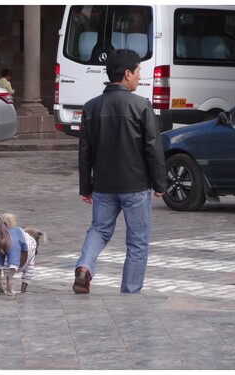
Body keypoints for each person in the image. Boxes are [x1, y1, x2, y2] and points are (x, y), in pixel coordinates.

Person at [73, 49, 166, 295]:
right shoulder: (141, 106)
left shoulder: (91, 107)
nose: (139, 77)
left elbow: (85, 151)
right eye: (138, 71)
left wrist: (86, 187)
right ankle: (130, 293)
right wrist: (160, 183)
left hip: (103, 185)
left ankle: (84, 266)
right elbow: (152, 148)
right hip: (135, 186)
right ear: (127, 74)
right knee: (137, 242)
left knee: (99, 230)